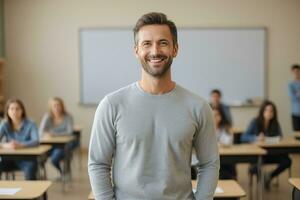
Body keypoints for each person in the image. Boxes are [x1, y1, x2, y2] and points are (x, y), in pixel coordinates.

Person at [88, 12, 219, 200]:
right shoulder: (111, 105)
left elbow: (210, 163)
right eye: (146, 44)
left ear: (175, 49)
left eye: (163, 43)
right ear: (136, 51)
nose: (155, 51)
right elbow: (98, 164)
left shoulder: (198, 107)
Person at [241, 100, 291, 190]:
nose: (269, 113)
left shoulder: (275, 123)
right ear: (262, 111)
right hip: (259, 154)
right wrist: (256, 138)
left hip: (272, 153)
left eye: (271, 111)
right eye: (267, 110)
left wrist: (278, 139)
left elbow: (280, 137)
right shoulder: (255, 122)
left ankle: (269, 176)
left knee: (287, 161)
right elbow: (243, 137)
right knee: (256, 166)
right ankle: (258, 174)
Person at [0, 98, 39, 180]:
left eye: (17, 109)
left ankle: (32, 192)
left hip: (27, 159)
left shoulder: (31, 123)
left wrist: (21, 145)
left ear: (22, 111)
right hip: (8, 158)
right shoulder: (4, 124)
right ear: (7, 111)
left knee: (30, 172)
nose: (14, 111)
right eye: (11, 109)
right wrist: (6, 146)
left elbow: (36, 141)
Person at [39, 97, 74, 175]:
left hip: (63, 145)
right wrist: (46, 134)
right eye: (54, 105)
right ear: (50, 107)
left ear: (62, 106)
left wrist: (53, 134)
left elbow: (69, 132)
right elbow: (40, 132)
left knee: (54, 158)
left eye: (58, 105)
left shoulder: (68, 117)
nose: (56, 107)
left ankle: (63, 173)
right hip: (49, 145)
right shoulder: (47, 116)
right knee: (39, 158)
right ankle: (42, 177)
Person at [212, 107, 236, 180]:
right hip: (211, 157)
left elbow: (228, 142)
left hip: (225, 156)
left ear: (221, 116)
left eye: (216, 115)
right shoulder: (205, 128)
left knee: (224, 170)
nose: (214, 117)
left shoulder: (226, 128)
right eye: (212, 115)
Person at [288, 64, 300, 131]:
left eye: (298, 71)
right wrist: (296, 95)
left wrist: (297, 94)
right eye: (294, 72)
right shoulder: (291, 85)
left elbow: (296, 96)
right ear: (292, 73)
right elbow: (292, 98)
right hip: (295, 113)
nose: (296, 73)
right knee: (297, 135)